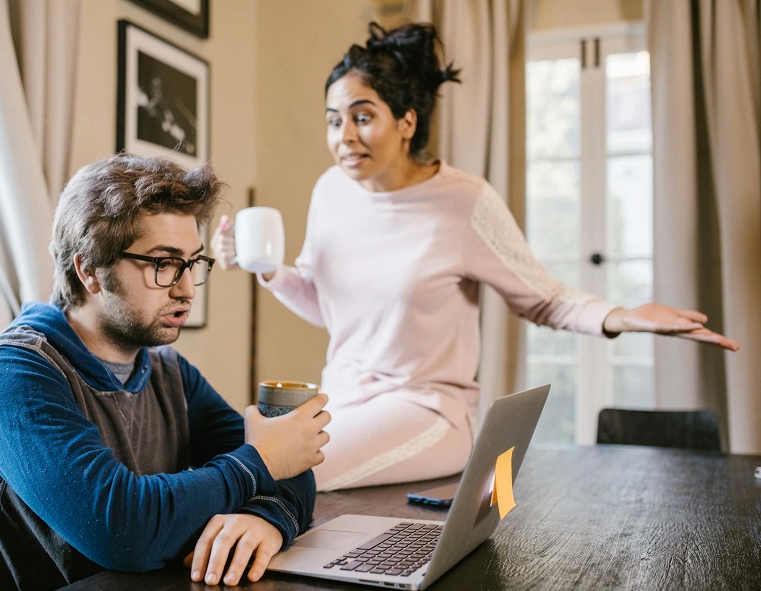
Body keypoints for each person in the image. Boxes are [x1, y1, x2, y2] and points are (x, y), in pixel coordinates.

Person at [211, 22, 739, 492]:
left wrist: (621, 316)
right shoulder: (331, 191)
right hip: (343, 399)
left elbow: (546, 299)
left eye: (362, 116)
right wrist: (268, 269)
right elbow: (331, 307)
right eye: (332, 120)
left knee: (288, 471)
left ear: (407, 121)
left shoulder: (464, 201)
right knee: (237, 450)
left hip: (428, 411)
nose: (344, 136)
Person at [0, 153, 331, 591]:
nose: (186, 290)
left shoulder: (167, 370)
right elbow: (123, 527)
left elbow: (292, 463)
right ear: (89, 270)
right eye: (162, 264)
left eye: (192, 265)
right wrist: (260, 463)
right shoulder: (8, 374)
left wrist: (267, 517)